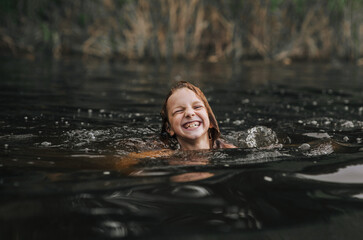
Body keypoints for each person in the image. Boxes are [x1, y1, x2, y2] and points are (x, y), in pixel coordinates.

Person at [160, 81, 236, 150]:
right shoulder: (161, 154)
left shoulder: (230, 150)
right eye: (179, 111)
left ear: (210, 121)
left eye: (197, 107)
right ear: (168, 128)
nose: (189, 113)